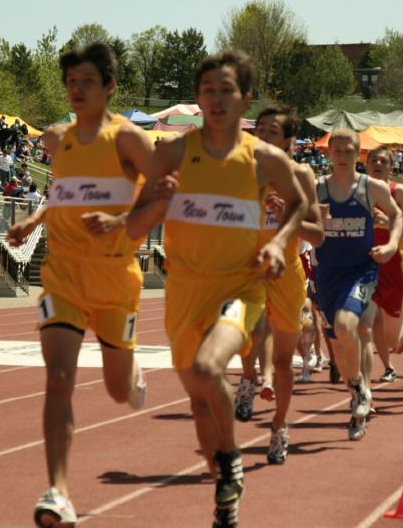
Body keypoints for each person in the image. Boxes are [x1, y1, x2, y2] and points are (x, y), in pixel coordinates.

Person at [128, 51, 306, 528]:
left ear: (244, 98)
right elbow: (135, 223)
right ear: (198, 97)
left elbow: (298, 203)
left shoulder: (264, 159)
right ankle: (225, 501)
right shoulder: (172, 152)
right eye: (208, 90)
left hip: (242, 287)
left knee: (210, 368)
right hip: (185, 290)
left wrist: (280, 244)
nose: (217, 99)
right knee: (198, 399)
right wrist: (144, 210)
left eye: (227, 90)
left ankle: (230, 462)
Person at [5, 43, 153, 528]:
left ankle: (133, 378)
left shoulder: (128, 140)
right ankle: (59, 493)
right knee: (59, 379)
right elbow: (65, 194)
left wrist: (121, 221)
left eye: (88, 81)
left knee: (115, 390)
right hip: (64, 275)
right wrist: (33, 219)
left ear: (109, 87)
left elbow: (166, 191)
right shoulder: (59, 139)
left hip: (114, 277)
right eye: (71, 82)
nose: (77, 90)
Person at [234, 104, 323, 466]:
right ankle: (247, 379)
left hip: (285, 272)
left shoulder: (300, 176)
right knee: (243, 331)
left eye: (273, 132)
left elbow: (317, 236)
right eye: (260, 130)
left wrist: (290, 210)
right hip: (246, 268)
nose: (264, 136)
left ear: (288, 140)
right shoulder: (241, 171)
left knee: (285, 362)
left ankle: (280, 425)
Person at [313, 129, 402, 441]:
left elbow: (397, 214)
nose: (342, 156)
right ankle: (358, 387)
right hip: (327, 274)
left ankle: (361, 392)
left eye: (349, 151)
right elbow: (299, 222)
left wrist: (391, 245)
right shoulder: (317, 188)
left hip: (361, 271)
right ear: (329, 154)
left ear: (358, 153)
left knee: (347, 325)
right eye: (336, 151)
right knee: (338, 343)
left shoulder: (371, 188)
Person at [364, 146, 403, 384]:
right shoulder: (356, 190)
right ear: (366, 164)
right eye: (374, 160)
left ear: (391, 167)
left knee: (391, 341)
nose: (378, 164)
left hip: (394, 269)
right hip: (363, 266)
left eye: (383, 162)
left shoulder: (398, 192)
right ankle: (367, 384)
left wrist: (389, 223)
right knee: (364, 325)